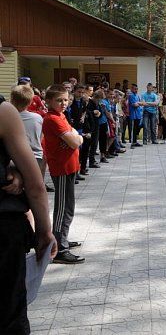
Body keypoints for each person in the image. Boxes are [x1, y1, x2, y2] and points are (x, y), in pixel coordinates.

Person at [0, 90, 57, 333]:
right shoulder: (3, 113)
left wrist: (9, 167)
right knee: (9, 315)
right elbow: (36, 185)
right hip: (3, 233)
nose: (2, 57)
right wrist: (44, 232)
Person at [42, 85, 85, 264]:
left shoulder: (61, 115)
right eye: (59, 100)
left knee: (69, 206)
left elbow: (74, 136)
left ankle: (63, 238)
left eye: (66, 100)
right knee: (62, 209)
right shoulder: (52, 118)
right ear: (49, 102)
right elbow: (75, 141)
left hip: (71, 166)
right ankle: (59, 247)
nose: (63, 103)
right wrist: (77, 138)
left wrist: (76, 137)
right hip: (61, 168)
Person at [128, 84, 144, 148]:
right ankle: (132, 143)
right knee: (132, 130)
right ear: (132, 89)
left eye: (137, 89)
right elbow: (135, 105)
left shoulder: (137, 95)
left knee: (136, 129)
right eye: (134, 89)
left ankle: (135, 141)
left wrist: (139, 103)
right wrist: (139, 103)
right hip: (133, 115)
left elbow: (140, 103)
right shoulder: (131, 95)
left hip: (138, 115)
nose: (136, 90)